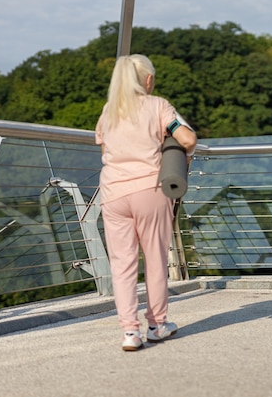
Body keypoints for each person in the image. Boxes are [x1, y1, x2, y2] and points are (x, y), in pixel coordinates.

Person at [95, 54, 197, 351]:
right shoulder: (158, 106)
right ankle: (157, 325)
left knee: (122, 265)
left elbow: (101, 141)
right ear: (148, 79)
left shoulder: (108, 110)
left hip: (113, 193)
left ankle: (130, 332)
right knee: (154, 260)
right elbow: (188, 139)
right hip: (148, 190)